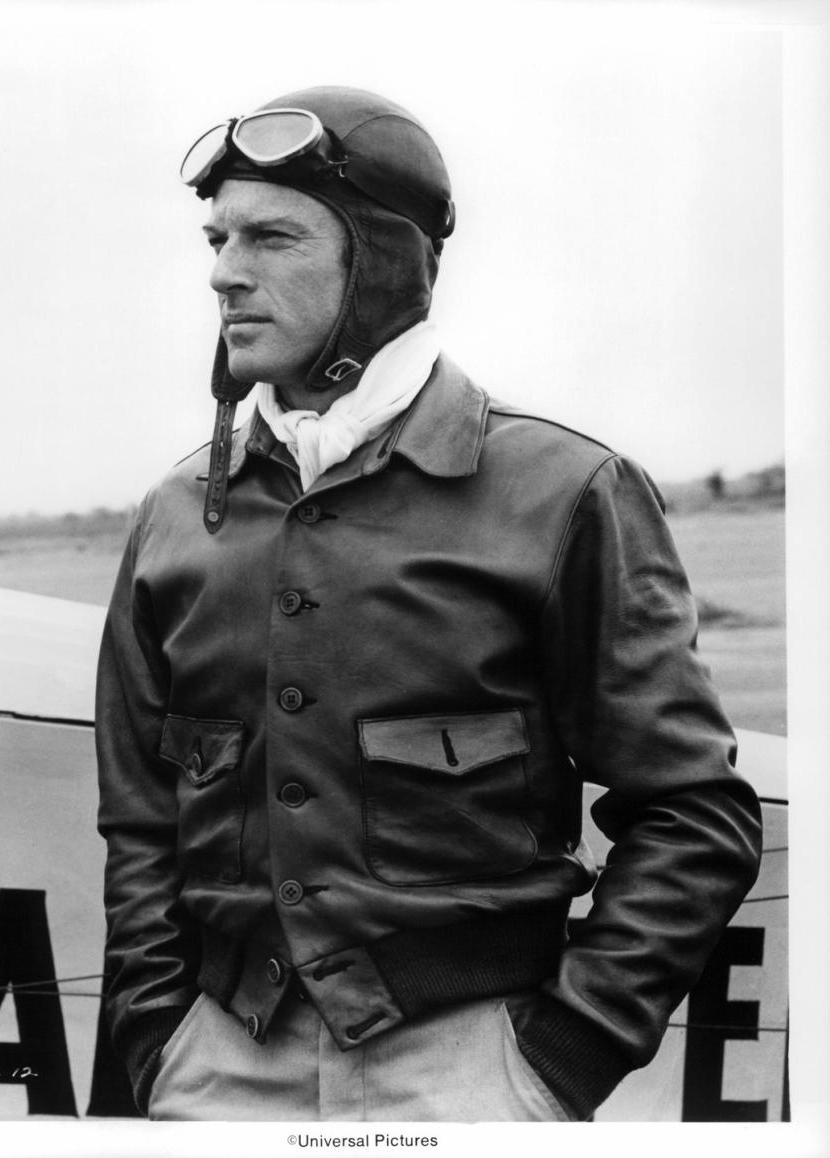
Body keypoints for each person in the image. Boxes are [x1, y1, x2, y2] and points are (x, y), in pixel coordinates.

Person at [95, 86, 762, 1122]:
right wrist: (157, 1039)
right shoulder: (178, 513)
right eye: (219, 238)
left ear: (383, 261)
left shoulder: (561, 492)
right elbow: (140, 820)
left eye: (272, 237)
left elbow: (691, 812)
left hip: (470, 1072)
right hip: (219, 1066)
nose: (226, 272)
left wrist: (555, 1066)